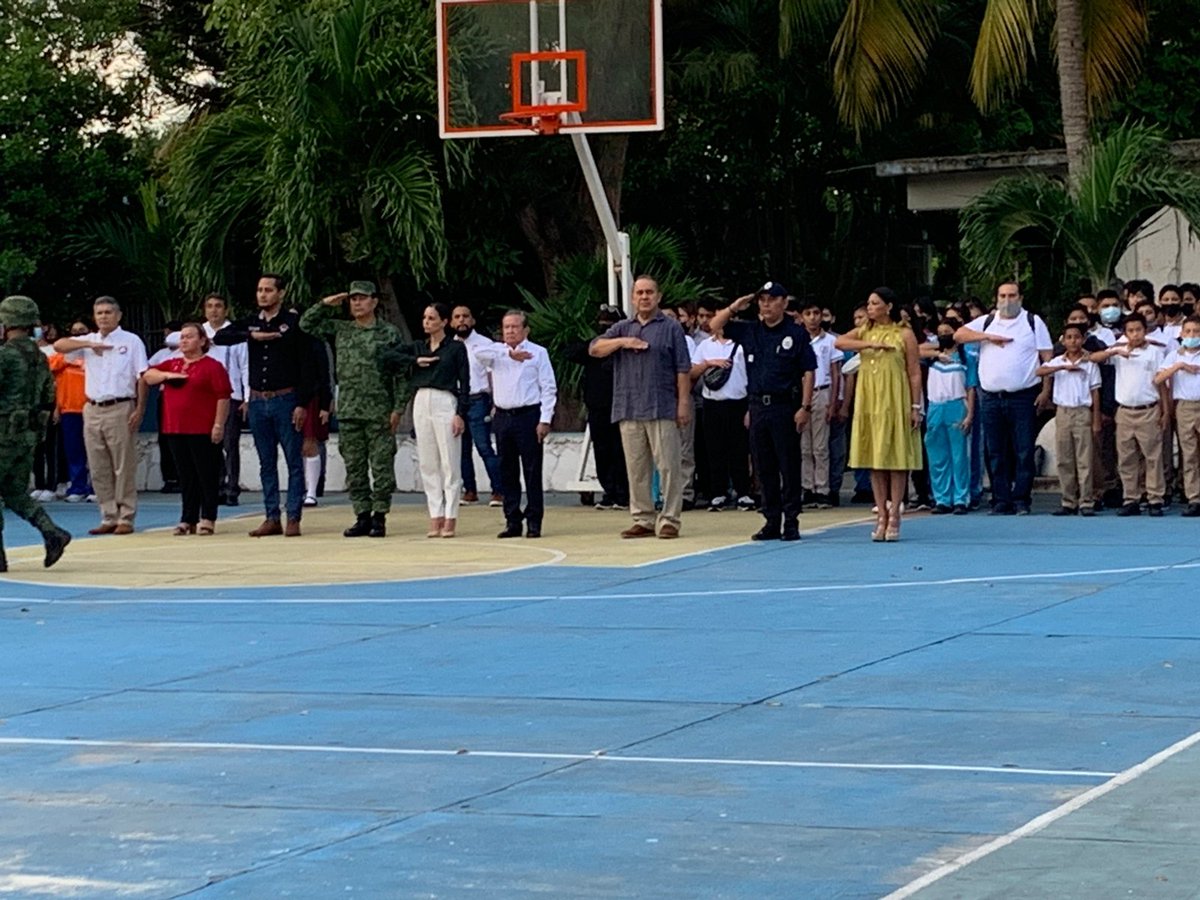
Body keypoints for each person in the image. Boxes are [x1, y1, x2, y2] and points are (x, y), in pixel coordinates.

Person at [707, 282, 816, 541]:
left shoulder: (795, 333)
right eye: (762, 300)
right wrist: (735, 306)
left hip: (784, 406)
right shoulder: (751, 331)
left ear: (784, 303)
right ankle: (770, 519)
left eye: (772, 299)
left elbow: (809, 370)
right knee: (763, 466)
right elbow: (714, 326)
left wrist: (805, 406)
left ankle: (791, 520)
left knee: (788, 465)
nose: (766, 304)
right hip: (757, 405)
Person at [588, 276, 692, 539]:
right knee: (636, 468)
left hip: (661, 406)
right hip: (629, 406)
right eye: (640, 293)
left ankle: (669, 519)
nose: (645, 297)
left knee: (668, 467)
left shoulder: (671, 328)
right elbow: (595, 348)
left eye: (649, 292)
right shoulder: (622, 327)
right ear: (633, 298)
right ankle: (643, 518)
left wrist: (682, 404)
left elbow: (683, 368)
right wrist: (624, 342)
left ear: (658, 296)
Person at [302, 281, 405, 538]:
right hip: (349, 411)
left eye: (362, 298)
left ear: (374, 302)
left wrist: (398, 408)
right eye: (353, 299)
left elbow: (401, 373)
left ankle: (379, 516)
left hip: (379, 410)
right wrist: (325, 304)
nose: (357, 303)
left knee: (381, 467)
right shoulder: (342, 329)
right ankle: (362, 515)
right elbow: (305, 325)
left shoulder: (389, 333)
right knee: (355, 468)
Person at [214, 275, 313, 536]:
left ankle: (293, 515)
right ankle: (271, 515)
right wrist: (251, 335)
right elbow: (221, 336)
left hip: (286, 398)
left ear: (280, 293)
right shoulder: (251, 322)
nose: (263, 295)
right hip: (258, 399)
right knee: (265, 462)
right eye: (259, 290)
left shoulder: (293, 323)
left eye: (268, 290)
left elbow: (306, 366)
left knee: (293, 460)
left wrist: (302, 403)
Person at [954, 282, 1053, 516]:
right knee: (995, 450)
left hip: (1023, 395)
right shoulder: (988, 321)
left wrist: (1045, 390)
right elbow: (958, 335)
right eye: (1002, 295)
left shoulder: (1033, 322)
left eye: (1012, 295)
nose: (1007, 300)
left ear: (1020, 297)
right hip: (990, 397)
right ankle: (1001, 499)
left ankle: (1021, 499)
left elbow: (1047, 357)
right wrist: (987, 336)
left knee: (1024, 449)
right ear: (996, 298)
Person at [52, 296, 148, 535]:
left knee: (123, 465)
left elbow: (142, 376)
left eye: (108, 312)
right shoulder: (89, 340)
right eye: (99, 313)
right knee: (98, 466)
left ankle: (126, 515)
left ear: (118, 315)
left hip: (120, 405)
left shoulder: (131, 341)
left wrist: (140, 409)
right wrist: (86, 346)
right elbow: (59, 345)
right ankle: (108, 515)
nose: (104, 317)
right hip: (93, 407)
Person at [835, 288, 923, 541]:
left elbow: (914, 371)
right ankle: (880, 514)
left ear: (889, 306)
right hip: (870, 400)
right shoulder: (865, 331)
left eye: (875, 304)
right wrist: (869, 344)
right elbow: (840, 341)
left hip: (895, 398)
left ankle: (895, 512)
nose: (870, 308)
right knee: (875, 460)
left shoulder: (904, 334)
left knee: (895, 459)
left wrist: (915, 407)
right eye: (869, 304)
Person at [380, 303, 469, 537]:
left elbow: (465, 383)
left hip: (444, 400)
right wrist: (414, 361)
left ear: (444, 322)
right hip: (421, 399)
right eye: (425, 317)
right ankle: (435, 513)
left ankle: (451, 515)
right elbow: (386, 356)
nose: (427, 322)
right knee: (428, 462)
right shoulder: (418, 347)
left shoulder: (455, 349)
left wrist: (460, 413)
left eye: (432, 318)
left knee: (449, 461)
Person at [470, 310, 557, 538]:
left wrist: (545, 420)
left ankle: (534, 521)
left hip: (528, 415)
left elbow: (548, 388)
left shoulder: (538, 353)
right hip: (503, 417)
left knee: (531, 470)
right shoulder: (497, 352)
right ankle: (512, 520)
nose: (510, 331)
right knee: (507, 470)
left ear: (525, 329)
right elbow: (476, 352)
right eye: (506, 327)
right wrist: (509, 355)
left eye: (515, 327)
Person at [0, 296, 72, 571]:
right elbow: (49, 394)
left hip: (3, 432)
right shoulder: (40, 357)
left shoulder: (5, 355)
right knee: (15, 492)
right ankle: (52, 532)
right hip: (29, 433)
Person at [142, 323, 232, 535]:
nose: (184, 341)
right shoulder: (171, 364)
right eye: (182, 337)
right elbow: (147, 376)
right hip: (175, 428)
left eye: (189, 337)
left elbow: (223, 396)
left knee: (206, 474)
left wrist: (218, 424)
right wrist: (166, 377)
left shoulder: (212, 366)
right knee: (185, 475)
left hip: (201, 427)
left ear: (202, 341)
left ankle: (208, 516)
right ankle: (187, 517)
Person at [1091, 313, 1170, 516]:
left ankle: (1154, 498)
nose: (1135, 334)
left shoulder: (1154, 352)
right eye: (1131, 331)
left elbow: (1161, 383)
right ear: (1125, 333)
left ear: (1145, 330)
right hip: (1125, 411)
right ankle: (1131, 498)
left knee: (1152, 457)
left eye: (1139, 330)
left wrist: (1165, 411)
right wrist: (1115, 351)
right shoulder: (1119, 351)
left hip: (1148, 410)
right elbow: (1093, 358)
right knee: (1127, 458)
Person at [689, 307, 753, 511]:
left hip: (738, 402)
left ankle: (743, 492)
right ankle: (718, 493)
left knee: (739, 450)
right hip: (712, 402)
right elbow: (692, 372)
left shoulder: (743, 344)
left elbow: (752, 376)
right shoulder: (705, 345)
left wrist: (750, 407)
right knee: (714, 449)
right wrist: (709, 363)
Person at [567, 306, 629, 510]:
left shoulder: (627, 346)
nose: (605, 328)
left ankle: (623, 494)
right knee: (602, 451)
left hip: (623, 407)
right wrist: (598, 345)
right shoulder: (595, 346)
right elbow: (572, 352)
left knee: (622, 451)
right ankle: (609, 492)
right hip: (598, 407)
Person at [1037, 324, 1101, 515]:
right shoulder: (1058, 361)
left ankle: (1086, 500)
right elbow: (1039, 372)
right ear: (1063, 340)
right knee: (1064, 458)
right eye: (1069, 337)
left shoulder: (1089, 363)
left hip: (1082, 411)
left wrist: (1096, 418)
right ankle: (1068, 500)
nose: (1073, 341)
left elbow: (1095, 393)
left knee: (1084, 458)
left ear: (1083, 339)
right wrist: (1062, 367)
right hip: (1063, 412)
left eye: (1077, 337)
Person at [921, 318, 976, 514]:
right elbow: (913, 350)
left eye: (948, 331)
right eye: (940, 332)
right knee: (937, 457)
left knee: (959, 456)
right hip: (936, 407)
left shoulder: (966, 357)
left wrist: (969, 414)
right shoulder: (933, 357)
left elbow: (971, 388)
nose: (944, 335)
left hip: (956, 406)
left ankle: (961, 498)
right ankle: (941, 499)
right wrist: (937, 353)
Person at [452, 304, 503, 508]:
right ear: (451, 321)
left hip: (478, 400)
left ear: (472, 320)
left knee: (483, 447)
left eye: (466, 316)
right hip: (456, 401)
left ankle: (499, 490)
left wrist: (495, 402)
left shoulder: (484, 344)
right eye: (457, 317)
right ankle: (470, 491)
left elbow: (493, 374)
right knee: (461, 449)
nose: (462, 320)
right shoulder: (449, 345)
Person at [201, 294, 249, 507]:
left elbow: (246, 366)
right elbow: (174, 339)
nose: (214, 311)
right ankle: (216, 486)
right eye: (210, 307)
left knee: (230, 443)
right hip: (203, 397)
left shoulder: (235, 334)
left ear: (226, 310)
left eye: (218, 306)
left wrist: (247, 397)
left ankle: (232, 488)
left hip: (230, 396)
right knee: (209, 444)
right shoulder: (199, 332)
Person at [797, 299, 840, 508]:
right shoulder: (797, 339)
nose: (813, 318)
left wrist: (833, 402)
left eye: (816, 313)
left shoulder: (829, 341)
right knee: (804, 445)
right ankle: (807, 487)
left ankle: (823, 488)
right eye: (808, 313)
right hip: (802, 393)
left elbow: (835, 372)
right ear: (802, 316)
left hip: (822, 390)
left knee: (820, 445)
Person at [1157, 315, 1200, 516]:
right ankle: (1194, 498)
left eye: (1197, 332)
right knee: (1189, 454)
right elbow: (1158, 379)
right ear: (1181, 334)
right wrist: (1179, 366)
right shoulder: (1175, 355)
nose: (1192, 335)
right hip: (1184, 407)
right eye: (1188, 331)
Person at [47, 321, 93, 502]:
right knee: (74, 452)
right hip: (69, 410)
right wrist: (57, 409)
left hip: (92, 408)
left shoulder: (94, 353)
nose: (78, 334)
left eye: (82, 331)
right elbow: (51, 368)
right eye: (74, 332)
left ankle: (96, 489)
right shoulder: (62, 355)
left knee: (95, 452)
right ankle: (78, 487)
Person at [301, 333, 334, 507]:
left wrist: (325, 403)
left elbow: (325, 374)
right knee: (294, 446)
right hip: (288, 396)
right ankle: (299, 488)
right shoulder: (281, 340)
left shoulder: (316, 343)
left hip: (311, 397)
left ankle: (312, 491)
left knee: (310, 443)